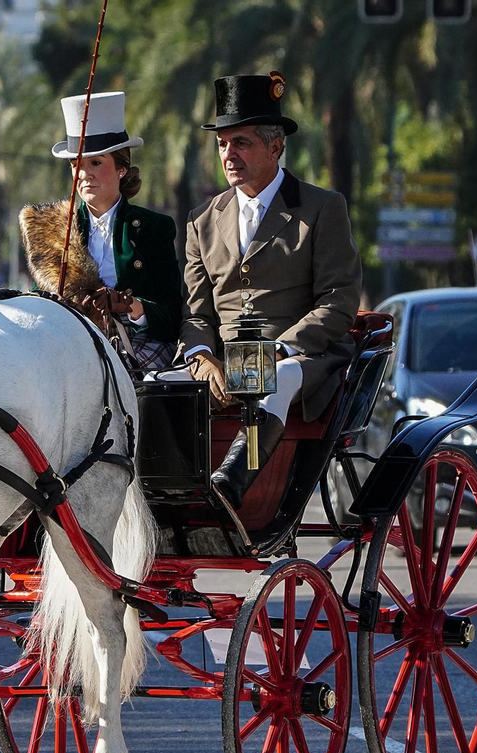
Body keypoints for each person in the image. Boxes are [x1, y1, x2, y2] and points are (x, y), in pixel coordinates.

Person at [178, 72, 364, 509]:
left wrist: (279, 349)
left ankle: (232, 484)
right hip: (224, 364)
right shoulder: (201, 220)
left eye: (241, 143)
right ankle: (167, 498)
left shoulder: (321, 207)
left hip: (301, 359)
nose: (229, 155)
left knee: (271, 378)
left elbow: (339, 301)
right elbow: (195, 314)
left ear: (275, 147)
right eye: (222, 144)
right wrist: (201, 357)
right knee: (156, 386)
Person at [20, 91, 183, 370]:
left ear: (122, 168)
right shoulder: (53, 229)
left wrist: (130, 306)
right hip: (70, 346)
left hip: (135, 352)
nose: (84, 175)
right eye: (77, 165)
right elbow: (40, 305)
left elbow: (171, 315)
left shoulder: (155, 228)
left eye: (95, 163)